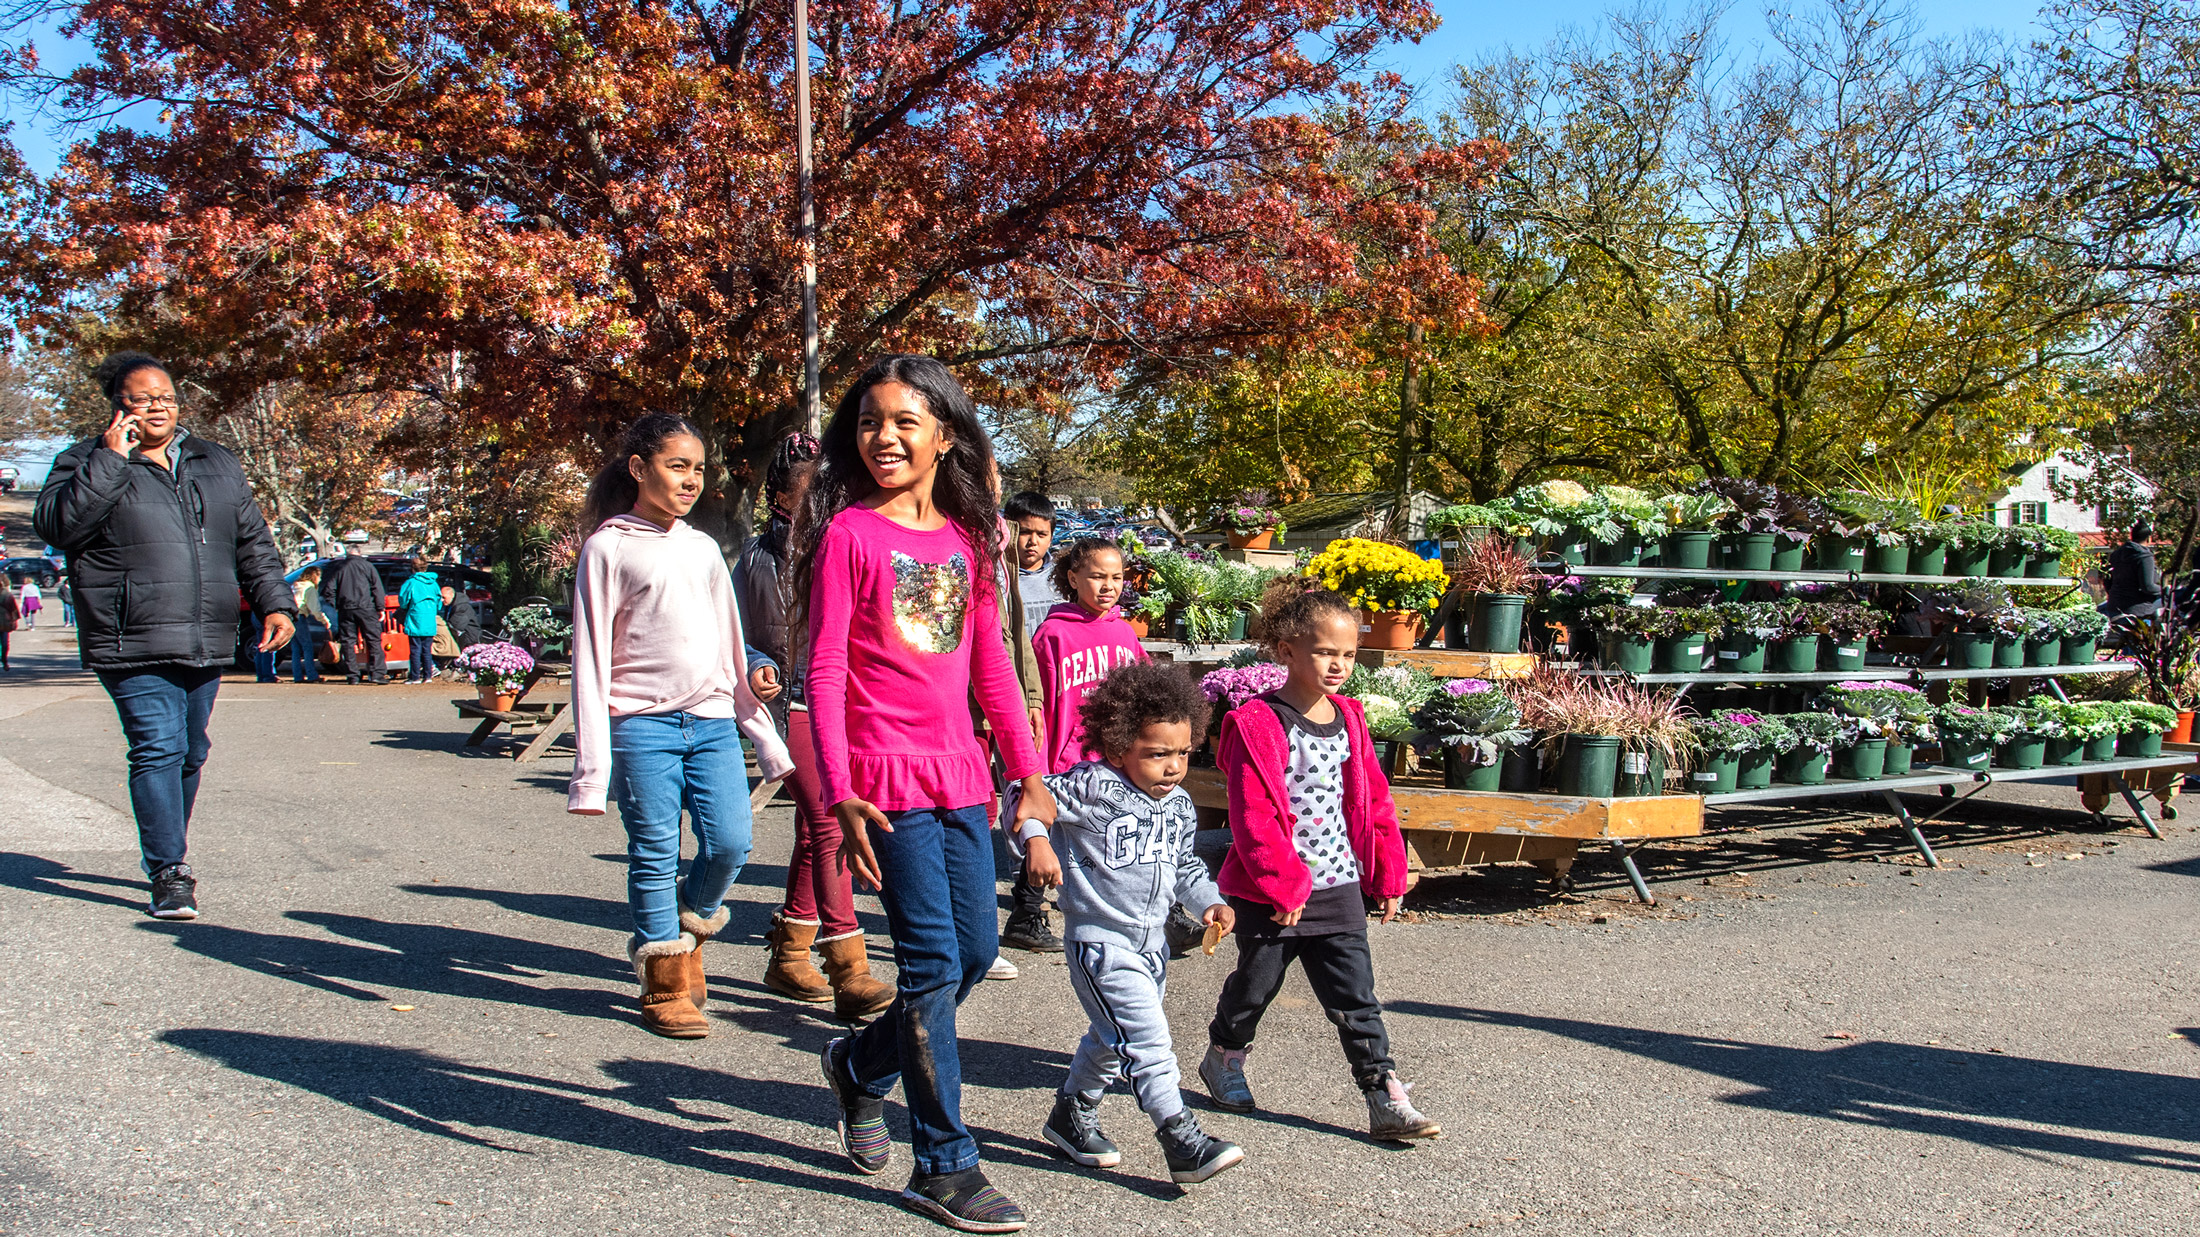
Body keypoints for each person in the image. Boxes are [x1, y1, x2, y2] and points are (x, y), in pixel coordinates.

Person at [799, 354, 1055, 1232]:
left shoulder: (970, 539)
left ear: (945, 433)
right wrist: (837, 792)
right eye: (870, 421)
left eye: (905, 421)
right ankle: (943, 1161)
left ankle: (859, 1066)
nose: (885, 438)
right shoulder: (849, 534)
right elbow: (824, 672)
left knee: (976, 954)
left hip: (959, 779)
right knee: (932, 965)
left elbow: (991, 667)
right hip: (882, 783)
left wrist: (1029, 776)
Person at [33, 350, 297, 919]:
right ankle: (170, 869)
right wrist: (110, 460)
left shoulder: (216, 461)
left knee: (191, 749)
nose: (158, 407)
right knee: (158, 744)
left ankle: (167, 849)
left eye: (167, 398)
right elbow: (59, 527)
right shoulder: (83, 460)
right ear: (117, 406)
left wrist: (276, 603)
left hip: (204, 632)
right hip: (129, 636)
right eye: (143, 398)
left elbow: (252, 541)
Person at [566, 413, 793, 1039]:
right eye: (677, 466)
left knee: (730, 843)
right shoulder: (608, 548)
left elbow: (730, 641)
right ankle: (663, 978)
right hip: (642, 726)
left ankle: (686, 929)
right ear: (639, 470)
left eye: (697, 468)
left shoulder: (702, 549)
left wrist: (757, 675)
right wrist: (592, 770)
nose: (691, 480)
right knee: (655, 852)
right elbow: (590, 656)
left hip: (715, 720)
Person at [1198, 579, 1441, 1143]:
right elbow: (1253, 815)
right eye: (1325, 652)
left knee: (1356, 998)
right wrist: (1284, 888)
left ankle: (1385, 1095)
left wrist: (1386, 874)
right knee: (1254, 988)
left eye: (1349, 654)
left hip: (1338, 885)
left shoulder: (1352, 718)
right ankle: (1225, 1055)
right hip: (1273, 891)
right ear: (1286, 652)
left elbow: (1373, 800)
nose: (1338, 665)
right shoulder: (1258, 722)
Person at [1007, 660, 1245, 1185]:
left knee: (1112, 1037)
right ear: (1117, 747)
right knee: (1148, 1039)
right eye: (1157, 754)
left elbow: (1185, 864)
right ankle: (1181, 1138)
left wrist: (1209, 900)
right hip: (1100, 943)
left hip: (1151, 946)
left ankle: (1070, 1114)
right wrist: (1037, 841)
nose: (1173, 766)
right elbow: (1023, 800)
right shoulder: (1090, 786)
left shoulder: (1180, 805)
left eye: (1182, 753)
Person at [735, 434, 897, 1019]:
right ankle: (848, 964)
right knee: (831, 818)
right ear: (779, 495)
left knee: (813, 828)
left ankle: (789, 954)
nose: (824, 501)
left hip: (841, 702)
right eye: (810, 492)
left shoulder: (844, 541)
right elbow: (741, 637)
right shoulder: (755, 560)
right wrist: (758, 666)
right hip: (787, 707)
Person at [1032, 537, 1149, 774]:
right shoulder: (1053, 635)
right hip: (1068, 772)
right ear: (1073, 579)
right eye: (1097, 577)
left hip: (1119, 767)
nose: (1108, 586)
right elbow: (1036, 710)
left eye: (1116, 577)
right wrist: (1039, 774)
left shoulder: (1125, 632)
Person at [322, 532, 388, 684]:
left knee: (348, 641)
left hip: (346, 609)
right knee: (373, 640)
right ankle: (376, 673)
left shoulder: (339, 568)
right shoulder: (368, 566)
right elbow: (377, 588)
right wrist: (380, 608)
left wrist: (336, 605)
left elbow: (329, 589)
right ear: (359, 553)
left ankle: (353, 675)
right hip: (366, 607)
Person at [1004, 491, 1058, 639]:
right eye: (1024, 532)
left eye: (1041, 534)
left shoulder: (1063, 577)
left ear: (1051, 538)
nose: (1033, 541)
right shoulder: (999, 579)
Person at [2104, 520, 2164, 619]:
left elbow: (2107, 580)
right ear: (2149, 539)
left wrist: (2115, 595)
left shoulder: (2116, 554)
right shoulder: (2144, 556)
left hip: (2114, 608)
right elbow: (2148, 586)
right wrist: (2164, 590)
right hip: (2138, 611)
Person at [396, 555, 442, 683]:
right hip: (430, 619)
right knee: (427, 650)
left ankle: (415, 676)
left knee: (415, 649)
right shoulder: (434, 583)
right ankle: (428, 676)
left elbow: (403, 601)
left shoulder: (411, 583)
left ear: (413, 568)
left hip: (415, 618)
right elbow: (439, 602)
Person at [290, 566, 327, 682]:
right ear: (314, 576)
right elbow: (315, 609)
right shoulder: (309, 588)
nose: (320, 580)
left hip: (289, 616)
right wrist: (324, 621)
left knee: (295, 648)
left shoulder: (295, 585)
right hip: (300, 616)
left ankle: (297, 676)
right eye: (319, 577)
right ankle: (311, 674)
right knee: (307, 646)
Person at [440, 582, 486, 653]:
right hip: (463, 638)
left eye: (444, 597)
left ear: (451, 595)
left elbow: (455, 626)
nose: (442, 600)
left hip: (469, 640)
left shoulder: (462, 607)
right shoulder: (453, 605)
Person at [0, 585, 17, 670]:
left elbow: (13, 609)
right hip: (5, 622)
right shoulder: (8, 595)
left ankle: (4, 660)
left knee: (4, 644)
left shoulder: (7, 596)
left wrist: (14, 621)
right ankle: (4, 661)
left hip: (5, 623)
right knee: (4, 644)